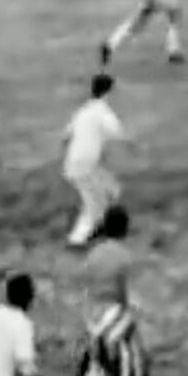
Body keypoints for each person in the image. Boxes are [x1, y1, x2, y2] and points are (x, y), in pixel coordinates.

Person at [63, 205, 149, 376]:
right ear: (125, 229)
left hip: (92, 316)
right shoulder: (123, 256)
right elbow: (125, 294)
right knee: (133, 351)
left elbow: (86, 290)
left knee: (92, 356)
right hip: (112, 313)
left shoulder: (93, 255)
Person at [62, 74, 127, 249]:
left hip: (79, 163)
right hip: (86, 166)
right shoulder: (103, 112)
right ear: (109, 92)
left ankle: (101, 225)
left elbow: (66, 136)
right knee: (93, 204)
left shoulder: (83, 110)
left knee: (112, 189)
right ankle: (77, 239)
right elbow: (118, 134)